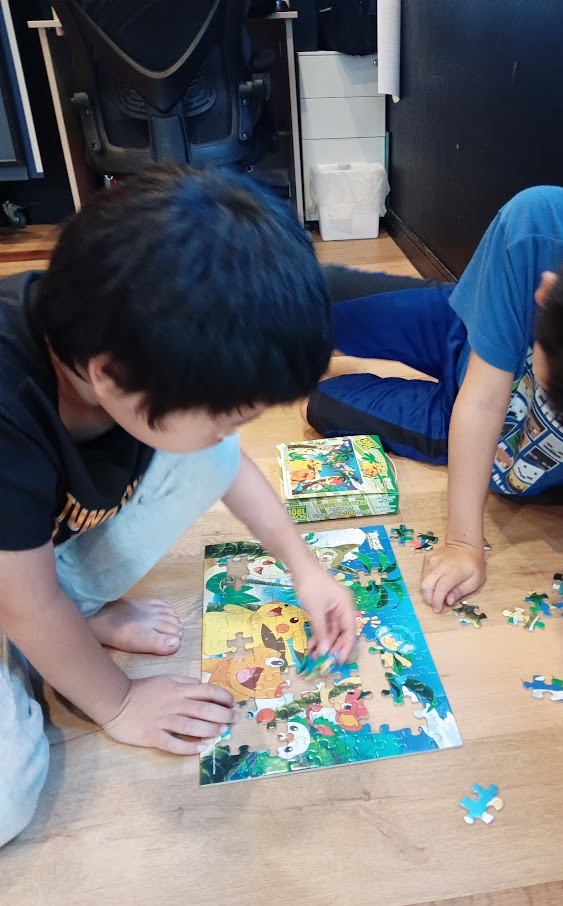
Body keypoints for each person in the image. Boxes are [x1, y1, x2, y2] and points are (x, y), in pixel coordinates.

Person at [0, 166, 356, 847]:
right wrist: (119, 702)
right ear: (110, 378)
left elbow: (223, 463)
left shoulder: (116, 342)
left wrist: (306, 568)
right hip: (15, 584)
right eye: (228, 418)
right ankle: (53, 639)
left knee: (207, 458)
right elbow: (24, 603)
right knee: (6, 797)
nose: (232, 434)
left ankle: (74, 616)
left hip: (26, 559)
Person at [303, 185, 563, 632]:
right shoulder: (535, 224)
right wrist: (463, 542)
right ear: (546, 293)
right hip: (460, 334)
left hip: (474, 436)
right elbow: (483, 401)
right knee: (310, 296)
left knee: (321, 402)